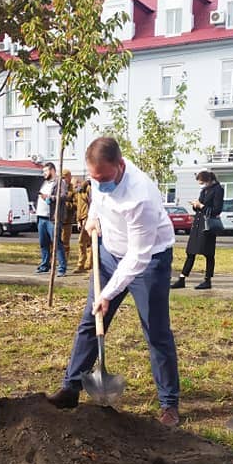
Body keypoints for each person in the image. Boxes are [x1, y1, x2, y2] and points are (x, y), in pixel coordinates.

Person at [46, 137, 180, 426]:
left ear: (121, 166)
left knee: (155, 331)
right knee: (90, 321)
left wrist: (107, 293)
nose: (100, 183)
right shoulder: (99, 175)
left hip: (149, 261)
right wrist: (93, 217)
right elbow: (98, 198)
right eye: (95, 178)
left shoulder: (141, 196)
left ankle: (169, 404)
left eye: (105, 178)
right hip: (108, 254)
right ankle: (71, 387)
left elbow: (138, 257)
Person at [171, 170, 223, 290]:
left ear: (208, 180)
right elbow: (199, 206)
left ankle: (207, 280)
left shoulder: (218, 190)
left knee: (208, 254)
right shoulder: (204, 190)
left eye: (202, 182)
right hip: (198, 224)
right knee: (190, 252)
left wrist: (202, 206)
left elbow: (216, 210)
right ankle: (182, 278)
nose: (201, 185)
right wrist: (195, 205)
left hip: (207, 225)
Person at [34, 162, 68, 276]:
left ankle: (61, 268)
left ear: (52, 170)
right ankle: (44, 265)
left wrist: (50, 198)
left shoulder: (60, 182)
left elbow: (64, 196)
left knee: (57, 243)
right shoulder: (45, 183)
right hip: (41, 217)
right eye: (43, 171)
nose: (44, 173)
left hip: (52, 218)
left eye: (45, 171)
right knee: (43, 243)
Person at [74, 178, 92, 272]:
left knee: (83, 241)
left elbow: (91, 203)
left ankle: (84, 264)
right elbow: (79, 207)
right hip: (82, 219)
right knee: (86, 242)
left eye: (75, 185)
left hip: (88, 218)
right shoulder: (79, 192)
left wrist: (88, 218)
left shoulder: (88, 189)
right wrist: (78, 220)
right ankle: (86, 264)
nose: (74, 188)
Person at [59, 168, 76, 264]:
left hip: (67, 221)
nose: (64, 179)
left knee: (65, 243)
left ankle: (64, 262)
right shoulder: (58, 187)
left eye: (66, 177)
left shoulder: (72, 189)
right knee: (54, 242)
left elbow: (76, 204)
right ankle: (52, 261)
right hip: (57, 220)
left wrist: (65, 204)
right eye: (63, 177)